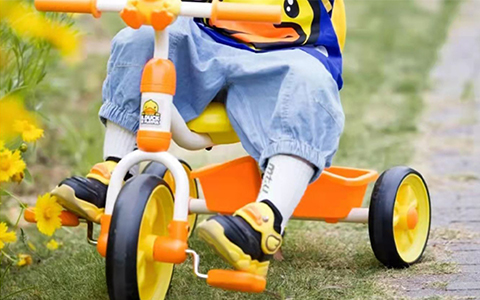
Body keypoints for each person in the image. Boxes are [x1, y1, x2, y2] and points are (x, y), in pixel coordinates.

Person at [51, 0, 345, 277]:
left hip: (286, 52)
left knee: (310, 86)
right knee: (139, 38)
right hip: (205, 39)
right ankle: (114, 173)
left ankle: (266, 221)